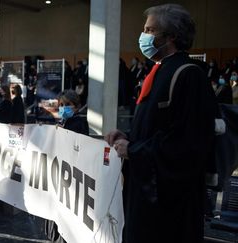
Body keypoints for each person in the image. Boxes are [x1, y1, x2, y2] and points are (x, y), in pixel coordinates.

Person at [105, 4, 216, 243]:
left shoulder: (189, 75)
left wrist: (133, 150)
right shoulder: (159, 70)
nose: (143, 36)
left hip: (168, 203)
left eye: (150, 30)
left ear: (172, 36)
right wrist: (127, 138)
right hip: (145, 192)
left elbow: (188, 143)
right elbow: (157, 128)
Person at [45, 89, 88, 243]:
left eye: (67, 104)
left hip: (70, 172)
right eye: (61, 104)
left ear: (76, 106)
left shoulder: (78, 122)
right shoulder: (64, 122)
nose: (63, 107)